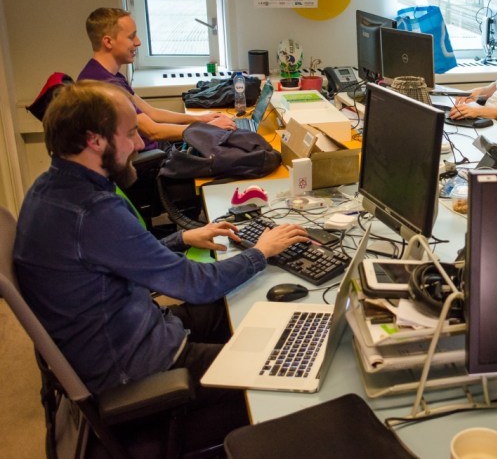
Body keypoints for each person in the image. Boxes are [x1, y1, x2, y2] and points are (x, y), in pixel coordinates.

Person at [13, 80, 309, 448]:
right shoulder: (93, 212)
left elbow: (119, 254)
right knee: (284, 369)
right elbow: (196, 284)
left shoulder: (49, 189)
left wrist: (182, 238)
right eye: (130, 133)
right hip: (141, 367)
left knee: (238, 307)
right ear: (94, 141)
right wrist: (260, 252)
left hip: (130, 326)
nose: (140, 144)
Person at [78, 7, 235, 151]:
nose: (138, 42)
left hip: (159, 149)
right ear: (108, 42)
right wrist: (208, 128)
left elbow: (152, 113)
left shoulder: (108, 75)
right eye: (131, 37)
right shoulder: (103, 87)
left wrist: (201, 119)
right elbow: (153, 131)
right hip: (151, 160)